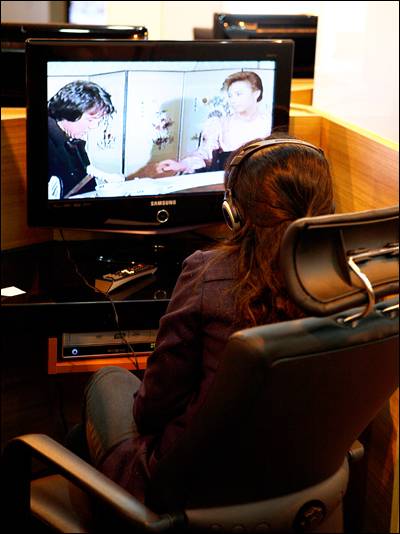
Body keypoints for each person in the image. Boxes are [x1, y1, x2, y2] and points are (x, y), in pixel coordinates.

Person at [80, 134, 335, 504]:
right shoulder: (355, 284)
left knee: (106, 380)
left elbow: (153, 411)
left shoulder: (209, 273)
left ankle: (106, 503)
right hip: (300, 477)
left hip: (189, 488)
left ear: (233, 213)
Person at [155, 71, 271, 175]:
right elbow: (204, 154)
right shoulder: (220, 124)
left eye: (238, 94)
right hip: (229, 184)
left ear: (256, 94)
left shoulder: (270, 123)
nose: (233, 100)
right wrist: (181, 165)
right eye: (230, 95)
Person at [48, 80, 125, 199]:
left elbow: (84, 170)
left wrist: (104, 175)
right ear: (70, 112)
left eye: (98, 120)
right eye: (90, 120)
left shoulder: (74, 139)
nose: (94, 126)